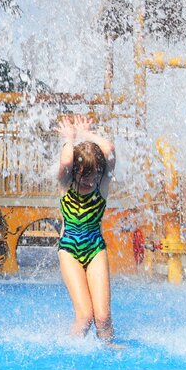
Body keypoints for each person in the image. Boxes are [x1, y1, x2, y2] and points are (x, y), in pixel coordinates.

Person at [56, 114, 117, 342]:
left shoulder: (101, 185)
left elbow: (109, 150)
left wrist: (86, 135)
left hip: (95, 248)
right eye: (84, 177)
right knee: (85, 316)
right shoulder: (66, 184)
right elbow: (65, 163)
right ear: (75, 174)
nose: (90, 183)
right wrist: (70, 139)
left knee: (103, 318)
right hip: (69, 250)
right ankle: (72, 353)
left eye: (94, 176)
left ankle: (109, 353)